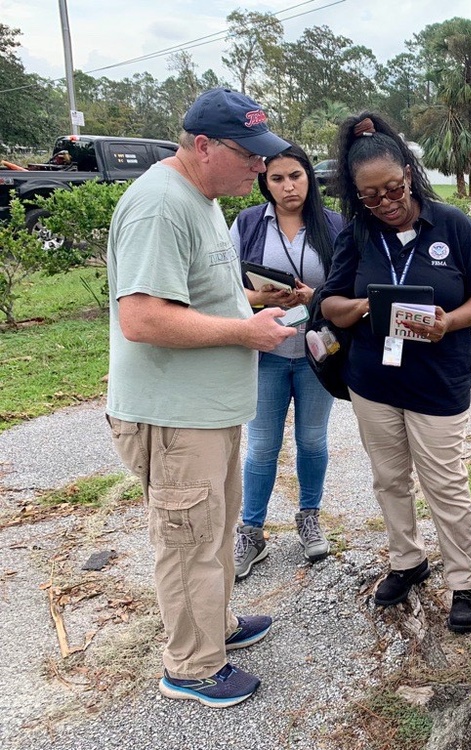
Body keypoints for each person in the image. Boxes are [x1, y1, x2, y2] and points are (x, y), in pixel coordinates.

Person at [105, 87, 295, 708]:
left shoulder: (203, 196)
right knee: (188, 542)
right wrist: (246, 331)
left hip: (207, 413)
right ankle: (190, 666)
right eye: (249, 156)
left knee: (213, 531)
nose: (260, 169)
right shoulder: (160, 205)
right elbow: (142, 318)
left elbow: (196, 291)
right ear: (204, 145)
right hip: (174, 415)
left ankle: (215, 628)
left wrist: (255, 302)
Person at [318, 112, 471, 634]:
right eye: (371, 197)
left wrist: (450, 322)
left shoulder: (453, 226)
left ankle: (463, 581)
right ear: (356, 197)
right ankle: (408, 561)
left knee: (445, 484)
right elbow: (328, 301)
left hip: (437, 381)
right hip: (373, 382)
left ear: (408, 172)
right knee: (390, 480)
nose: (386, 203)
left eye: (393, 188)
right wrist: (362, 309)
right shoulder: (356, 235)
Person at [229, 143, 344, 578]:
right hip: (267, 352)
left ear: (309, 177)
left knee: (312, 440)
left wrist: (315, 296)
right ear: (265, 182)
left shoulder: (333, 225)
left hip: (317, 351)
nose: (287, 186)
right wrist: (263, 297)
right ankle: (252, 532)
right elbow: (223, 290)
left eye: (295, 175)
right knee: (261, 446)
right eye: (276, 178)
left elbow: (348, 287)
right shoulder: (248, 224)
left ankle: (308, 517)